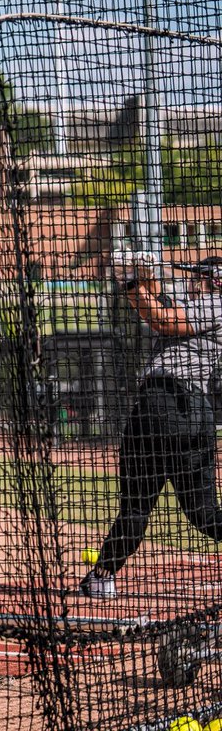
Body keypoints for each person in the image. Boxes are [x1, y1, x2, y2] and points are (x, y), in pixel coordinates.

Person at [82, 254, 222, 599]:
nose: (191, 282)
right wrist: (136, 278)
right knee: (203, 514)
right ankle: (100, 576)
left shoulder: (215, 305)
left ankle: (102, 576)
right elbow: (155, 302)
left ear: (213, 281)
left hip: (167, 407)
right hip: (186, 414)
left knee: (138, 506)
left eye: (197, 277)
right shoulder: (196, 304)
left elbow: (162, 320)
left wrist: (135, 281)